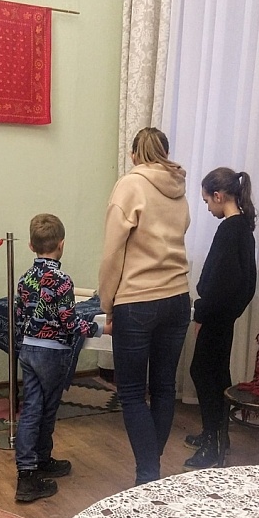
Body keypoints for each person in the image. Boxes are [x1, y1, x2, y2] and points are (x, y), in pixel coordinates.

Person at [98, 127, 191, 486]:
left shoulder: (130, 185)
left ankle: (148, 474)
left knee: (133, 392)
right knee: (164, 387)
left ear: (135, 154)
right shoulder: (179, 188)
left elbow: (112, 253)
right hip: (178, 297)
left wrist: (108, 303)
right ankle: (152, 469)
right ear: (165, 152)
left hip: (137, 300)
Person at [14, 213, 111, 502]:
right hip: (53, 353)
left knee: (31, 410)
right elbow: (69, 323)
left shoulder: (24, 279)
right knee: (46, 411)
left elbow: (20, 316)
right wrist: (100, 329)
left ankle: (31, 467)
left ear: (31, 246)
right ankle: (34, 469)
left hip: (28, 350)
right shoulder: (63, 281)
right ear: (62, 244)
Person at [184, 167, 257, 470]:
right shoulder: (243, 228)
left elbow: (220, 281)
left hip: (215, 315)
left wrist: (203, 312)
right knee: (216, 374)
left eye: (206, 201)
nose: (207, 208)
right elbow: (247, 283)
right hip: (224, 315)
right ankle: (217, 435)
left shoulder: (229, 229)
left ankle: (213, 443)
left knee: (203, 373)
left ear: (218, 196)